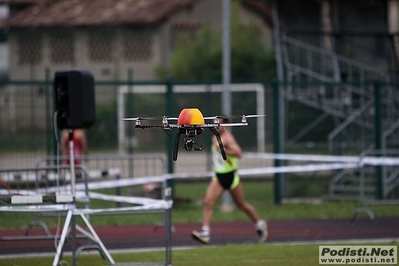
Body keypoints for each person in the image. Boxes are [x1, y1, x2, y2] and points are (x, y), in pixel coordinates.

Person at [191, 118, 267, 244]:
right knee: (208, 202)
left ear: (225, 124)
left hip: (231, 176)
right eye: (214, 123)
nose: (216, 126)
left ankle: (259, 224)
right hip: (218, 176)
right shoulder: (214, 138)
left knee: (241, 205)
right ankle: (205, 233)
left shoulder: (229, 138)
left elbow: (238, 154)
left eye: (218, 123)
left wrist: (223, 150)